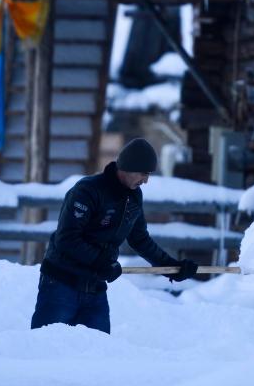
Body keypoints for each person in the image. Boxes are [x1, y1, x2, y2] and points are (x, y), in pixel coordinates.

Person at [30, 138, 198, 334]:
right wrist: (101, 262)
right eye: (144, 173)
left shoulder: (133, 197)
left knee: (98, 356)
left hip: (95, 288)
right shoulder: (88, 191)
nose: (146, 180)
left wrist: (172, 267)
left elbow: (140, 239)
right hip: (61, 285)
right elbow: (67, 239)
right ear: (128, 167)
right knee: (46, 350)